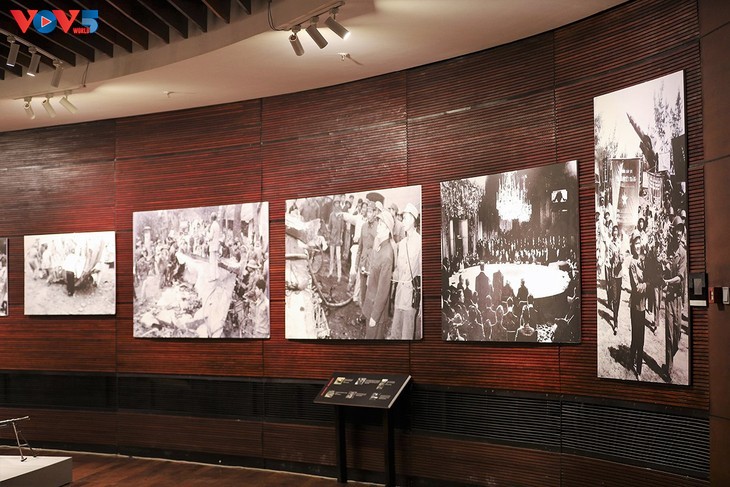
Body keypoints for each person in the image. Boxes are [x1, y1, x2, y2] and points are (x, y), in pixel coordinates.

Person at [390, 203, 422, 340]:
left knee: (407, 334)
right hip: (399, 293)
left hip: (410, 295)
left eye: (406, 218)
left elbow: (422, 273)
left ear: (414, 220)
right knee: (395, 331)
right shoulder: (402, 244)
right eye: (403, 218)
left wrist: (421, 303)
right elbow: (398, 269)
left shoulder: (420, 242)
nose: (403, 221)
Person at [363, 211, 396, 339]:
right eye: (379, 224)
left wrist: (375, 316)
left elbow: (383, 291)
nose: (378, 228)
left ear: (388, 230)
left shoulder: (387, 255)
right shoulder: (380, 247)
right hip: (370, 304)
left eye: (381, 225)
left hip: (376, 311)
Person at [663, 216, 686, 381]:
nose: (678, 233)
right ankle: (669, 369)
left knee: (677, 337)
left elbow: (679, 278)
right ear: (673, 232)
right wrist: (662, 268)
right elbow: (663, 271)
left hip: (678, 299)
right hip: (669, 298)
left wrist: (667, 281)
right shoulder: (668, 250)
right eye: (676, 230)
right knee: (670, 335)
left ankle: (670, 357)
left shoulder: (682, 253)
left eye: (681, 231)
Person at [628, 231, 647, 379]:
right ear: (632, 246)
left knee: (642, 336)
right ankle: (632, 363)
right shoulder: (632, 264)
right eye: (636, 243)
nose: (638, 246)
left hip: (643, 305)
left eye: (639, 243)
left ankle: (637, 365)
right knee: (636, 336)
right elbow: (637, 287)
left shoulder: (644, 261)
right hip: (635, 305)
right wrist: (648, 284)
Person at [606, 224, 623, 334]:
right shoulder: (610, 245)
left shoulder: (620, 243)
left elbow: (623, 257)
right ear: (612, 233)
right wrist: (612, 257)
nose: (615, 233)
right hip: (613, 274)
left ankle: (616, 314)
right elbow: (609, 259)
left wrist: (621, 258)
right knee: (615, 298)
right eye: (614, 231)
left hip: (620, 274)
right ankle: (615, 323)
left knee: (619, 297)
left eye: (617, 231)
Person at [327, 199, 344, 281]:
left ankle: (339, 275)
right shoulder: (331, 215)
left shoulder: (341, 215)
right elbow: (329, 227)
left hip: (338, 240)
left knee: (338, 258)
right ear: (334, 205)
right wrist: (328, 238)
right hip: (332, 239)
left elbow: (342, 229)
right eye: (335, 204)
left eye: (338, 203)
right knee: (331, 258)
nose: (337, 205)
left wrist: (341, 238)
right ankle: (330, 272)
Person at [207, 212, 222, 281]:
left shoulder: (213, 225)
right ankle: (216, 275)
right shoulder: (217, 225)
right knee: (215, 261)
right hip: (216, 245)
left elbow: (210, 237)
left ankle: (212, 277)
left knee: (212, 262)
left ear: (211, 218)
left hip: (213, 245)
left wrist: (207, 233)